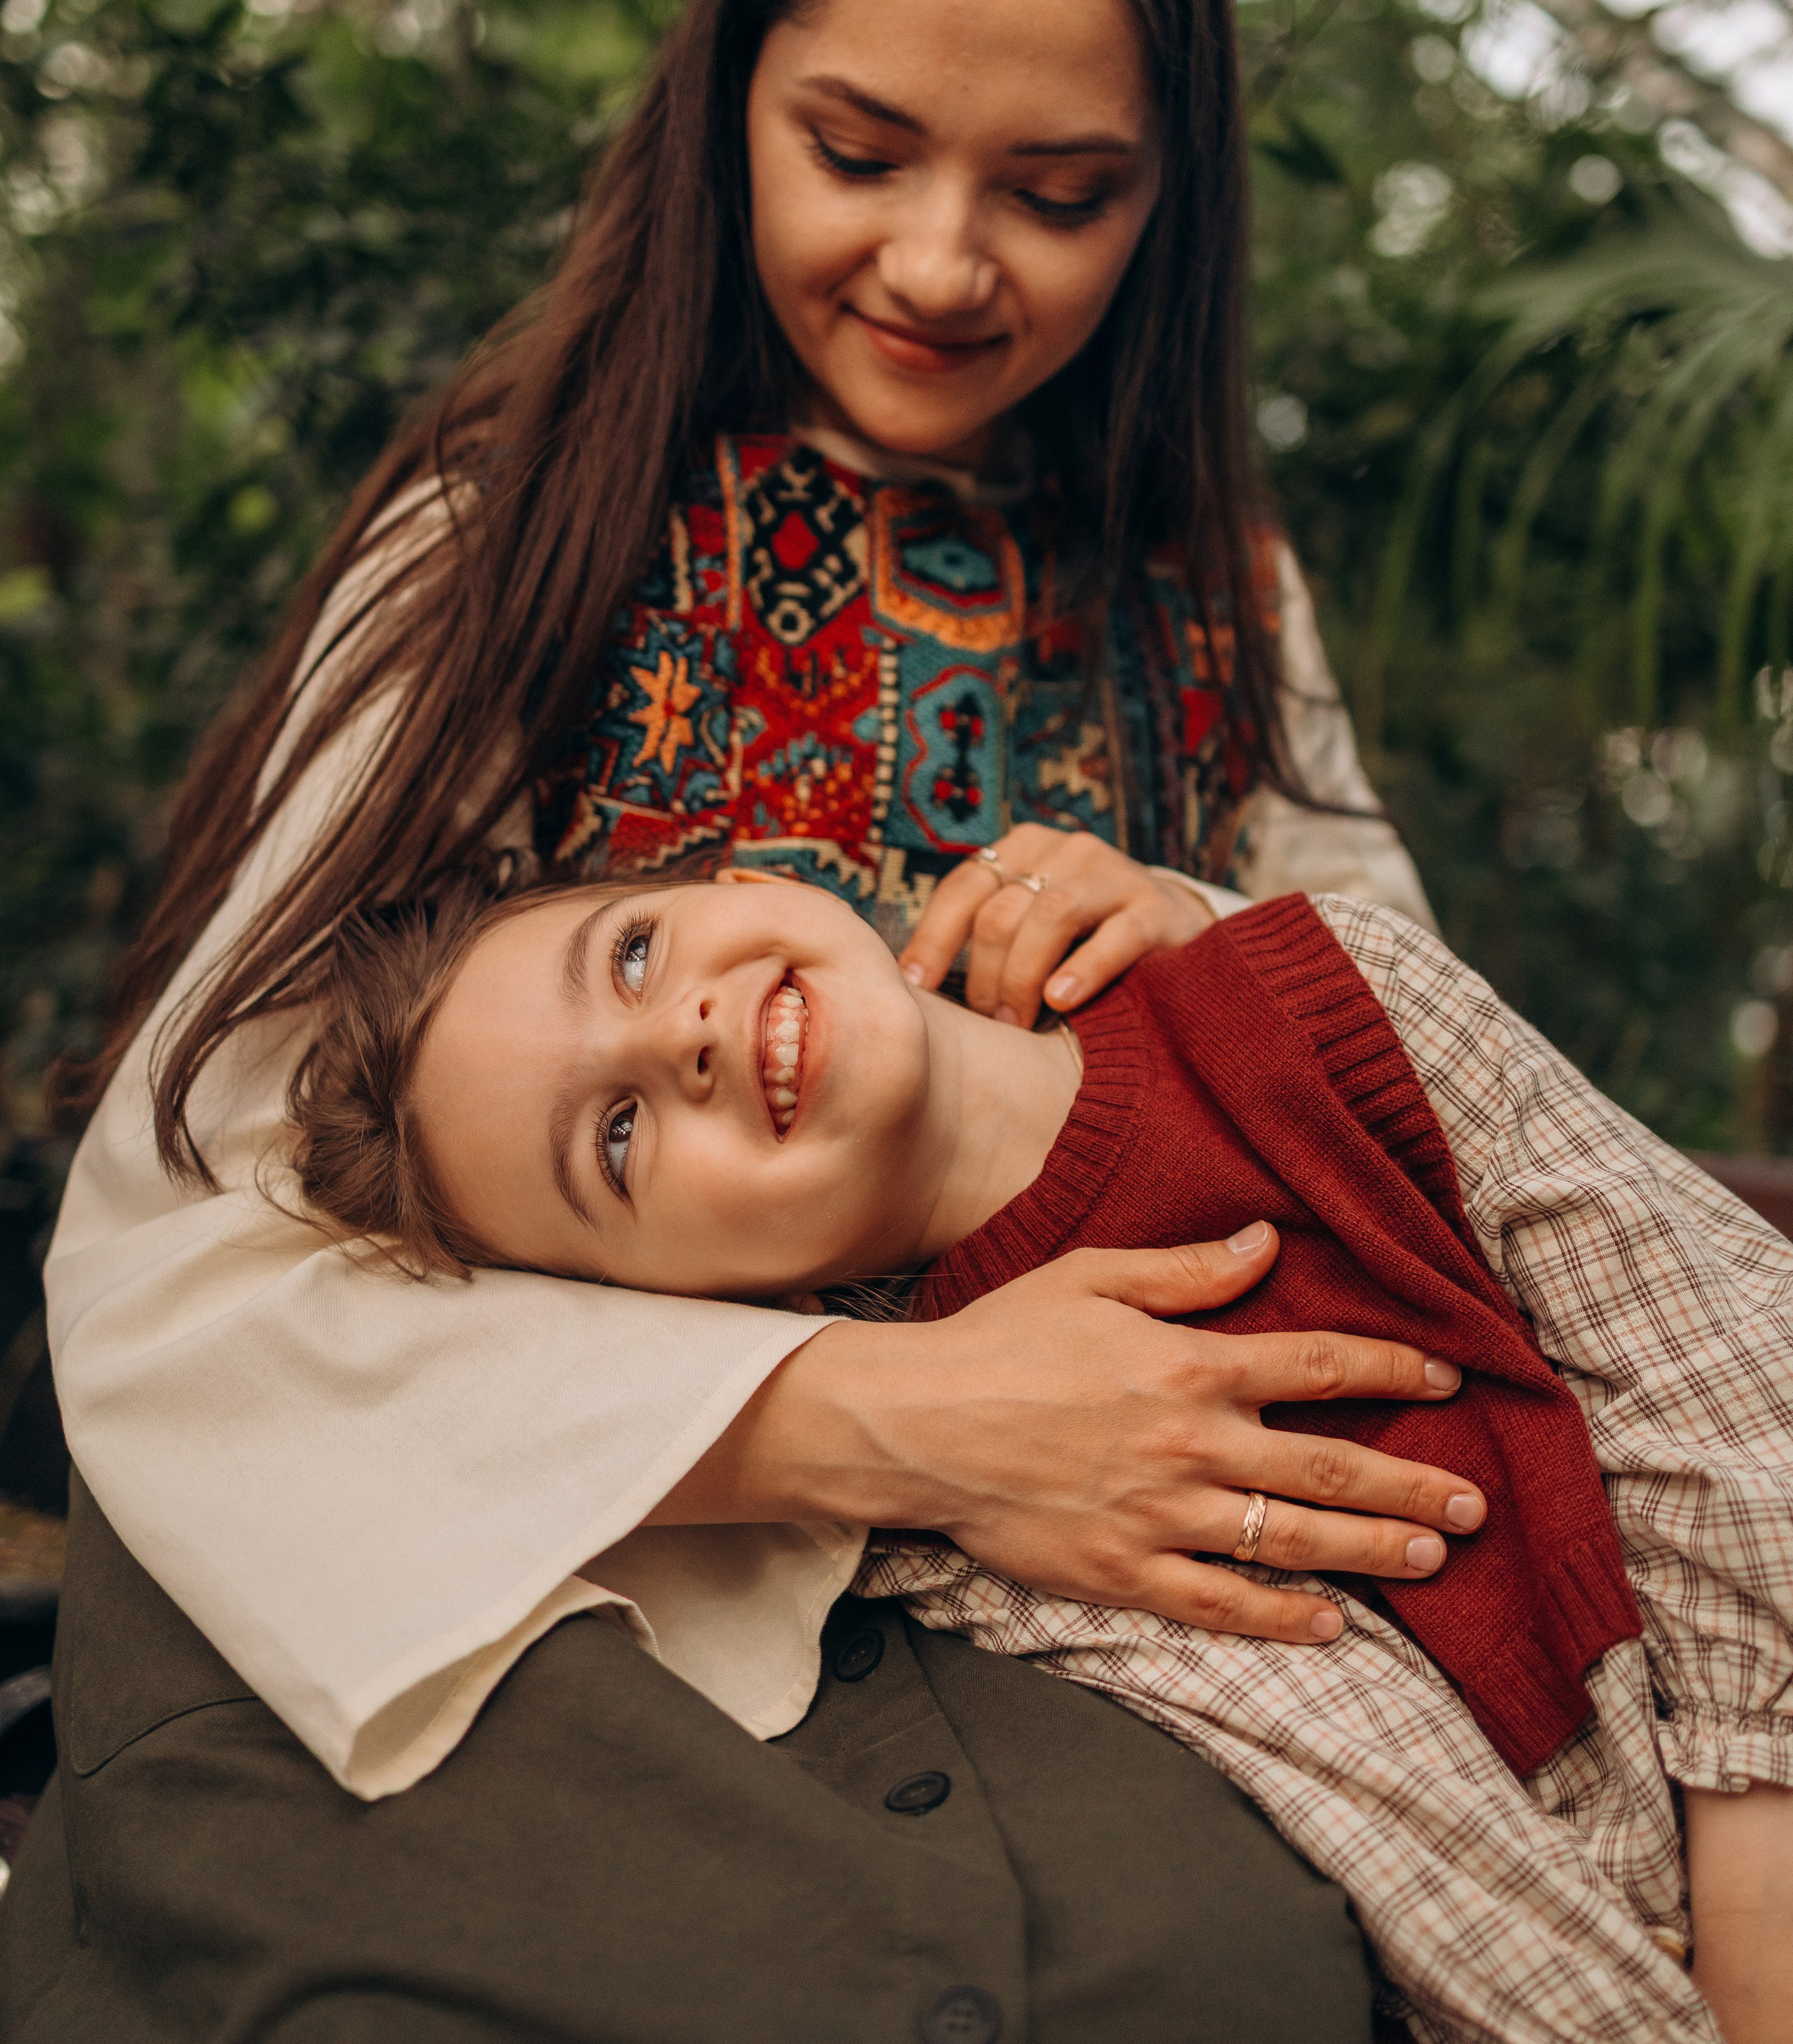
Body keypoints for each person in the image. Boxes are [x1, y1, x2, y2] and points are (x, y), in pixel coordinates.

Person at [8, 0, 1494, 2040]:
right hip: (532, 1535)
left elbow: (1428, 1055)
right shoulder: (517, 540)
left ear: (1173, 199)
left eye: (1063, 190)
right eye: (857, 147)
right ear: (727, 101)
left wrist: (1226, 945)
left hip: (1080, 1594)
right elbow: (191, 1244)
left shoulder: (1219, 606)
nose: (939, 259)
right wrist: (887, 1418)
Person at [283, 867, 1793, 2044]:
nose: (671, 1034)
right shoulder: (961, 1502)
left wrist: (1748, 1906)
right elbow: (1375, 1795)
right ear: (676, 1308)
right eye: (611, 1141)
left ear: (739, 886)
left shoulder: (1326, 988)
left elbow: (1725, 1402)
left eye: (628, 953)